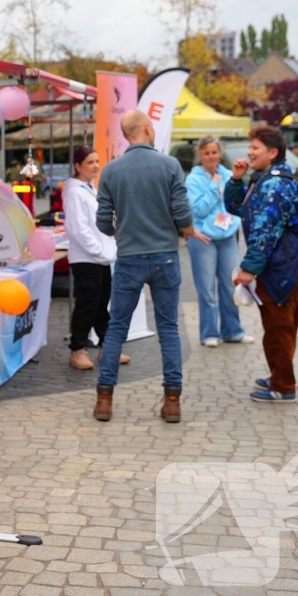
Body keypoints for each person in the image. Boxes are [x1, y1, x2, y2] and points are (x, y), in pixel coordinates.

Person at [94, 110, 210, 423]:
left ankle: (104, 399)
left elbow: (103, 222)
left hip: (129, 257)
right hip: (165, 257)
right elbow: (182, 213)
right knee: (168, 328)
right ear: (147, 128)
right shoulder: (170, 165)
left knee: (117, 327)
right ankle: (172, 400)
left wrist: (122, 230)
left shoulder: (111, 170)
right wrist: (186, 229)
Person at [225, 124, 298, 403]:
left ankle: (284, 386)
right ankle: (279, 374)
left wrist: (248, 270)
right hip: (288, 263)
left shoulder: (274, 184)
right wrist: (236, 181)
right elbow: (237, 209)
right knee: (281, 325)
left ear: (272, 153)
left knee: (278, 327)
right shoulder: (264, 178)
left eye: (255, 148)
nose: (249, 152)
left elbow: (264, 232)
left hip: (284, 266)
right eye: (250, 147)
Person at [184, 136, 254, 348]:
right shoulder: (193, 180)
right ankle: (209, 333)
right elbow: (198, 210)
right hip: (203, 239)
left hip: (227, 238)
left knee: (230, 285)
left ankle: (233, 331)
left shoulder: (229, 175)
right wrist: (214, 187)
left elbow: (238, 200)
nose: (211, 157)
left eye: (214, 152)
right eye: (207, 153)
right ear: (200, 155)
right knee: (206, 289)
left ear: (220, 154)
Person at [63, 146, 126, 370]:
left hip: (101, 257)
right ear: (78, 166)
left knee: (101, 305)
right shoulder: (74, 192)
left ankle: (107, 347)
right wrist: (98, 250)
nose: (96, 166)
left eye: (97, 161)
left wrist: (107, 249)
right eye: (90, 162)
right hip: (86, 258)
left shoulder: (89, 189)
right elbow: (78, 228)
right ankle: (77, 349)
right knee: (87, 306)